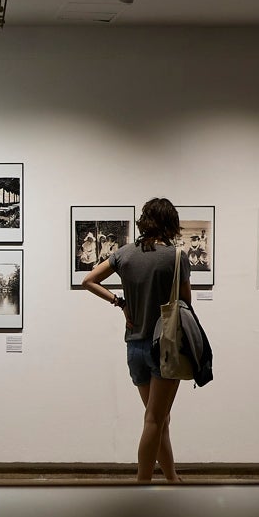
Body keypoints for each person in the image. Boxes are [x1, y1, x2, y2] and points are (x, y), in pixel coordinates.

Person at [83, 197, 191, 484]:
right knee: (155, 420)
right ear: (170, 223)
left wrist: (120, 302)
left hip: (135, 347)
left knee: (159, 419)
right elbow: (186, 304)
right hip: (165, 348)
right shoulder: (176, 257)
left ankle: (172, 478)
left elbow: (89, 280)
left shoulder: (124, 255)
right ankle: (142, 486)